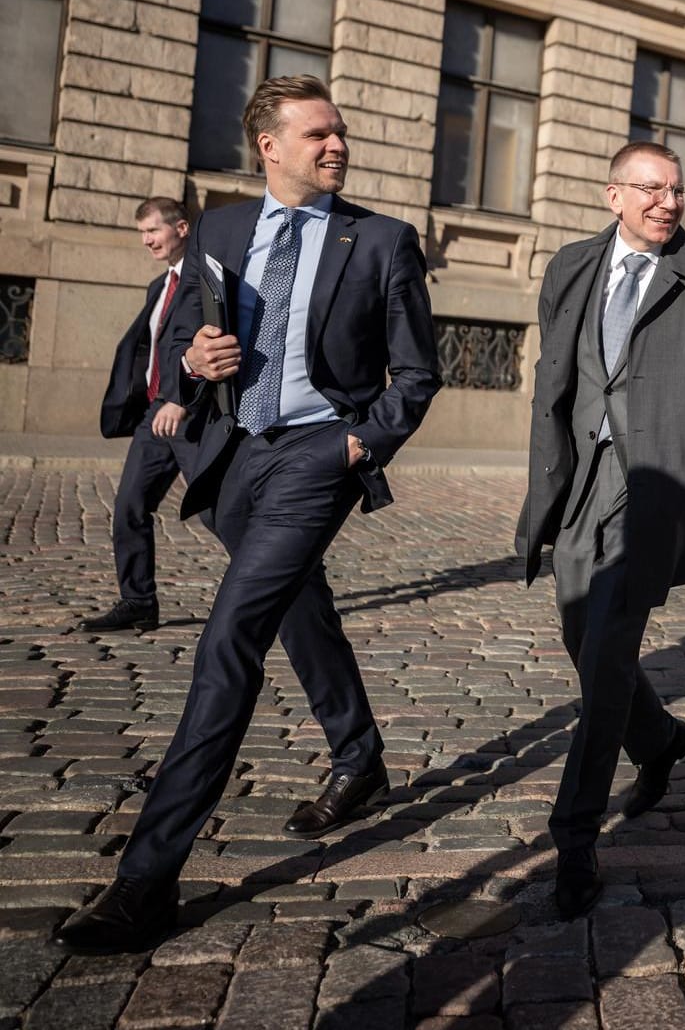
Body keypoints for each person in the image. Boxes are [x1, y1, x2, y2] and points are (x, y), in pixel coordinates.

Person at [54, 75, 442, 954]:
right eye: (318, 134)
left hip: (317, 454)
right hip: (232, 457)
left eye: (340, 132)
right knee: (299, 605)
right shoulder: (221, 230)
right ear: (269, 145)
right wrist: (194, 356)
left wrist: (354, 445)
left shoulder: (381, 239)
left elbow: (417, 374)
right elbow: (187, 333)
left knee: (229, 637)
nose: (336, 145)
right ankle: (361, 756)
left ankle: (146, 879)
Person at [515, 140, 685, 917]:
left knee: (608, 655)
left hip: (652, 485)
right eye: (650, 189)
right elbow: (558, 367)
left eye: (677, 190)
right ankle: (659, 739)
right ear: (614, 195)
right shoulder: (571, 264)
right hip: (578, 475)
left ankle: (574, 836)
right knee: (584, 639)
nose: (668, 203)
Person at [83, 197, 199, 633]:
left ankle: (285, 589)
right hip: (155, 416)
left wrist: (182, 398)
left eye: (153, 230)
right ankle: (138, 601)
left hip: (193, 416)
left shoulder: (207, 279)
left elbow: (217, 346)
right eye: (142, 233)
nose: (147, 240)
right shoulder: (160, 285)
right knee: (130, 507)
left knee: (221, 514)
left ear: (181, 228)